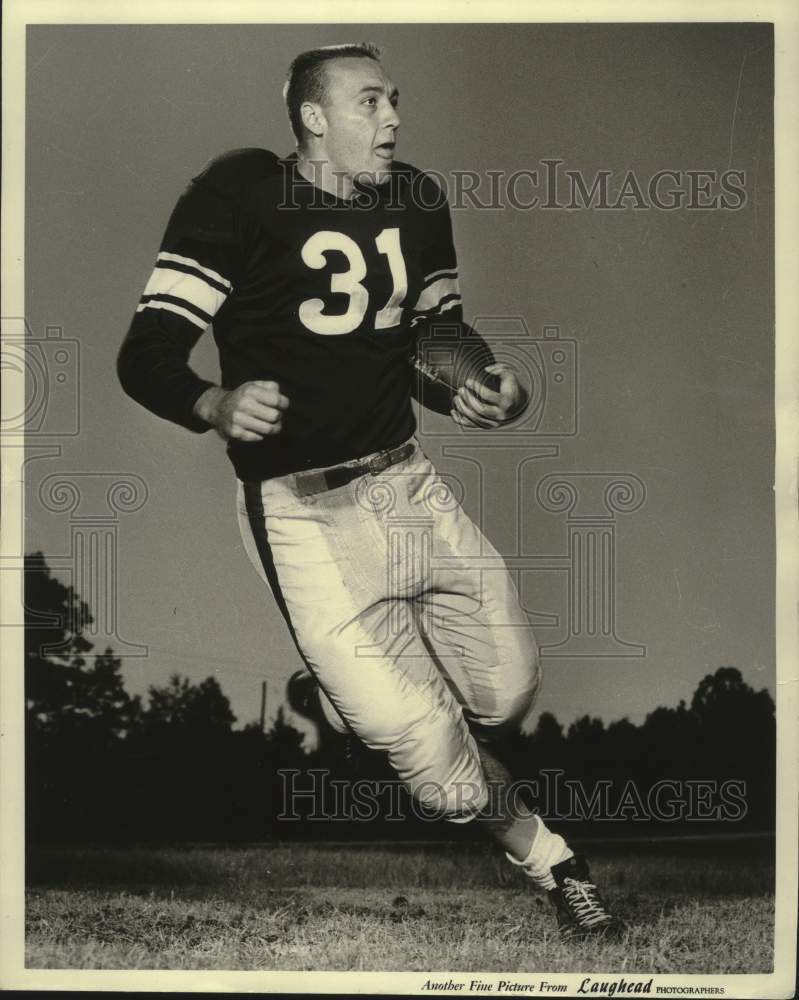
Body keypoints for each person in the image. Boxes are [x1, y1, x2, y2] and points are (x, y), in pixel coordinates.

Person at [117, 42, 623, 938]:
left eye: (395, 101)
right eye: (369, 103)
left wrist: (482, 382)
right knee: (437, 774)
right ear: (313, 118)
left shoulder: (416, 200)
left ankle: (418, 720)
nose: (392, 119)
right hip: (302, 514)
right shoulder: (237, 193)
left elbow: (436, 334)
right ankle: (553, 861)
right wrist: (212, 402)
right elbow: (144, 352)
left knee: (507, 695)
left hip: (408, 489)